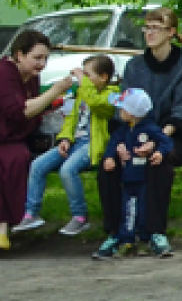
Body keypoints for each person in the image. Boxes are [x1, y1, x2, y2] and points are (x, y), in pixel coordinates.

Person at [102, 7, 182, 259]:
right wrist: (122, 144)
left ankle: (155, 232)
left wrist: (158, 141)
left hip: (172, 134)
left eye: (156, 28)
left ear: (171, 32)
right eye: (147, 28)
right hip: (133, 132)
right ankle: (116, 231)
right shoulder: (135, 65)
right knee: (110, 165)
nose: (149, 33)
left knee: (159, 163)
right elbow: (123, 105)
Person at [17, 54, 116, 236]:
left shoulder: (111, 95)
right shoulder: (82, 94)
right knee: (37, 165)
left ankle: (80, 217)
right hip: (75, 142)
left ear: (103, 77)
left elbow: (96, 103)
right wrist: (65, 139)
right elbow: (71, 119)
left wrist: (80, 79)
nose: (83, 79)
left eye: (88, 75)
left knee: (67, 170)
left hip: (93, 145)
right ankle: (31, 213)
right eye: (83, 75)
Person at [0, 29, 73, 252]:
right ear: (20, 54)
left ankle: (9, 225)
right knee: (13, 158)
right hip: (5, 137)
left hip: (17, 137)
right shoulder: (4, 73)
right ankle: (5, 226)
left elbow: (33, 107)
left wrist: (54, 104)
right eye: (37, 58)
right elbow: (17, 111)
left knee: (19, 157)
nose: (41, 64)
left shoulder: (31, 76)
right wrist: (54, 92)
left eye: (45, 58)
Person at [97, 89, 167, 256]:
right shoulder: (122, 130)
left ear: (131, 113)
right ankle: (126, 238)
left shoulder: (150, 129)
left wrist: (159, 152)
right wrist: (109, 158)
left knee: (143, 208)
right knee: (128, 208)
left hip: (143, 178)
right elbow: (112, 144)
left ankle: (144, 238)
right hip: (127, 178)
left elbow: (165, 141)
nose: (119, 112)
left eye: (122, 109)